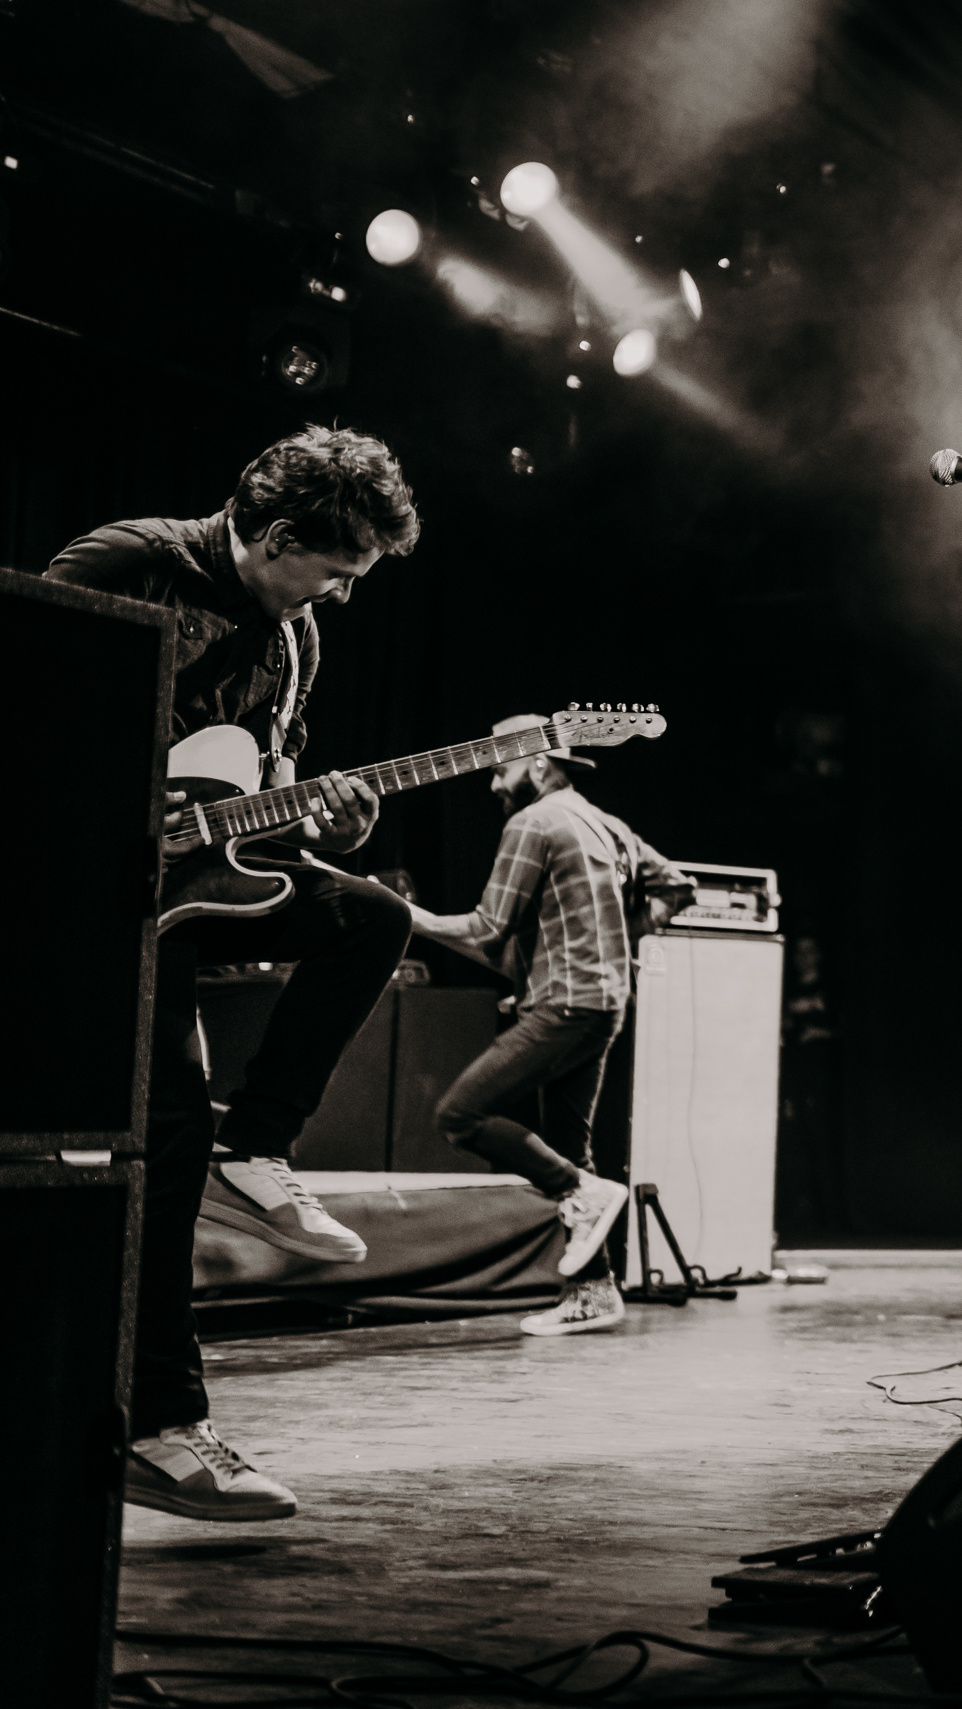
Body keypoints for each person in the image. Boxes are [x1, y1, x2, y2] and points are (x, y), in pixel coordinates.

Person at [47, 425, 422, 1521]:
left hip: (186, 892)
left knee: (371, 914)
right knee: (163, 1126)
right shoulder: (128, 562)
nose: (342, 594)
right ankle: (161, 1426)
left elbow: (255, 808)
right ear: (279, 536)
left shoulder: (297, 639)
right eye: (337, 570)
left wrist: (329, 827)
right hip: (77, 891)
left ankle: (253, 1147)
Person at [407, 718, 695, 1335]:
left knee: (460, 1114)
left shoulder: (534, 821)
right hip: (604, 1004)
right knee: (572, 1147)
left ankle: (580, 1192)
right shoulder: (607, 824)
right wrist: (622, 940)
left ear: (537, 763)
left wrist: (408, 917)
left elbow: (487, 928)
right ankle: (593, 1293)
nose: (493, 784)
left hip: (564, 1003)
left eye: (500, 768)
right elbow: (676, 886)